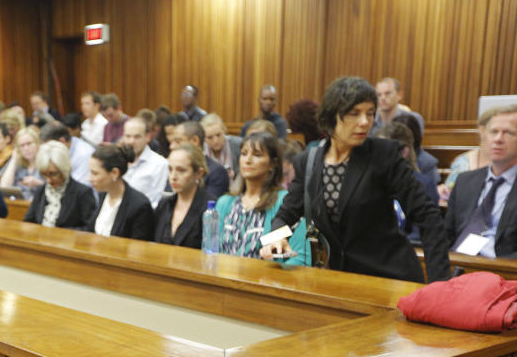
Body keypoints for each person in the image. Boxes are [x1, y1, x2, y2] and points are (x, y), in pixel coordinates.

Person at [263, 76, 450, 283]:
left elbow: (428, 217)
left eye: (370, 113)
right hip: (339, 279)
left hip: (390, 279)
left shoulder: (383, 155)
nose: (365, 122)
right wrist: (275, 239)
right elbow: (286, 214)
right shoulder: (309, 161)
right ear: (331, 116)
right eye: (354, 113)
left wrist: (439, 284)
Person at [216, 133, 308, 265]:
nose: (248, 160)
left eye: (257, 155)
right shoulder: (224, 203)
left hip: (265, 281)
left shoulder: (285, 202)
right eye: (244, 153)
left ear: (273, 163)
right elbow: (210, 251)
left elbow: (300, 258)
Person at [444, 105, 517, 258]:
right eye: (494, 132)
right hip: (460, 265)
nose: (498, 139)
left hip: (505, 271)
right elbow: (447, 235)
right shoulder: (465, 181)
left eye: (508, 133)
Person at [86, 144, 154, 240]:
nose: (89, 179)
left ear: (114, 173)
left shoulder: (139, 205)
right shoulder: (102, 195)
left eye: (95, 173)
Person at [23, 141, 97, 229]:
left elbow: (89, 228)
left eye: (53, 174)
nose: (49, 180)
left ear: (64, 169)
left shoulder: (82, 193)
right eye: (44, 174)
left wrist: (60, 235)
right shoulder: (41, 191)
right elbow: (28, 222)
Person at [154, 143, 208, 248]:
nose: (173, 176)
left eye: (181, 170)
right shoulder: (164, 204)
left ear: (199, 173)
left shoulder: (208, 207)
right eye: (170, 169)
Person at [173, 121, 230, 201]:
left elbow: (209, 206)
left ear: (194, 141)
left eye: (178, 141)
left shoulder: (217, 172)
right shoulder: (172, 168)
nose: (172, 146)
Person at [121, 117, 169, 209]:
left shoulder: (159, 164)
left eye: (137, 137)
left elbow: (156, 201)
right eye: (128, 136)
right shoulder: (117, 160)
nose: (131, 141)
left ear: (148, 137)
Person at [40, 120, 94, 188]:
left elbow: (81, 188)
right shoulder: (63, 151)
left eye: (51, 146)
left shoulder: (84, 154)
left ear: (62, 141)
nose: (48, 150)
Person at [0, 127, 43, 200]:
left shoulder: (46, 163)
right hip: (21, 206)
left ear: (37, 143)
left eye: (29, 144)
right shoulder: (18, 165)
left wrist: (38, 183)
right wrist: (14, 158)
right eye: (22, 146)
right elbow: (4, 187)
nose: (26, 148)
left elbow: (56, 189)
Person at [201, 113, 241, 182]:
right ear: (204, 139)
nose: (215, 141)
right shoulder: (201, 150)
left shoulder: (238, 144)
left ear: (224, 131)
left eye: (218, 135)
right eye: (210, 137)